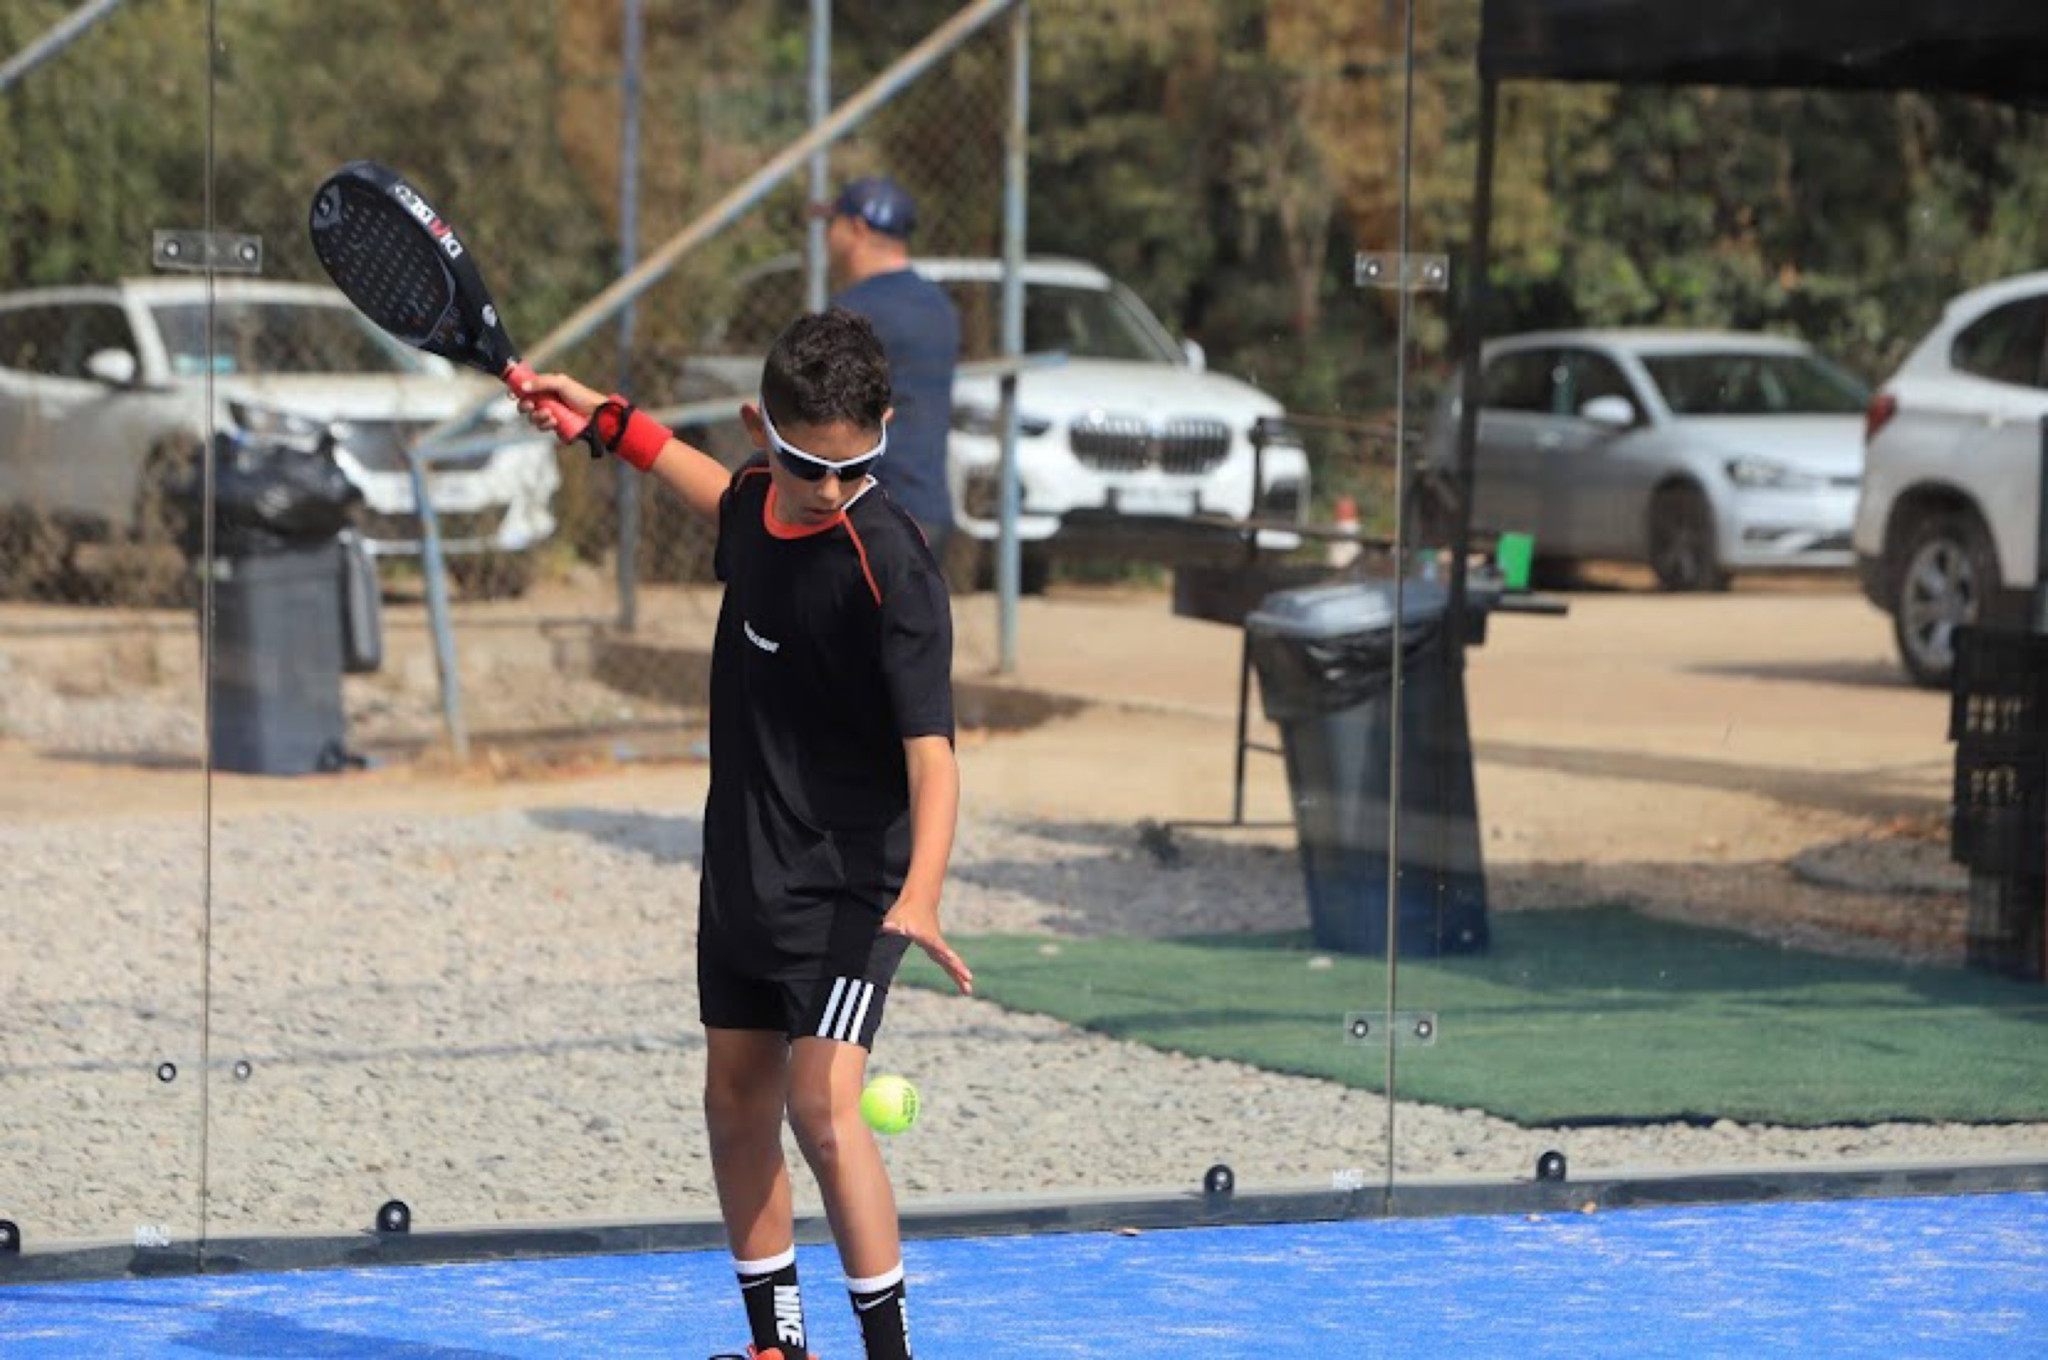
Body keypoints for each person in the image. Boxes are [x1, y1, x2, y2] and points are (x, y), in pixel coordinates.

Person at [516, 309, 972, 1360]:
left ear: (884, 433)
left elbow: (934, 756)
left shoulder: (892, 568)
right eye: (805, 464)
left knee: (822, 1106)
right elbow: (714, 490)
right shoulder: (762, 500)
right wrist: (605, 421)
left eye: (853, 468)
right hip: (742, 866)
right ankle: (779, 1346)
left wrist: (922, 893)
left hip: (854, 887)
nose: (828, 489)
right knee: (733, 1099)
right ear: (760, 430)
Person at [816, 176, 961, 564]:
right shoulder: (938, 306)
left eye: (832, 224)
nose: (826, 237)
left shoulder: (853, 311)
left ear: (857, 229)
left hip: (869, 513)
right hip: (929, 508)